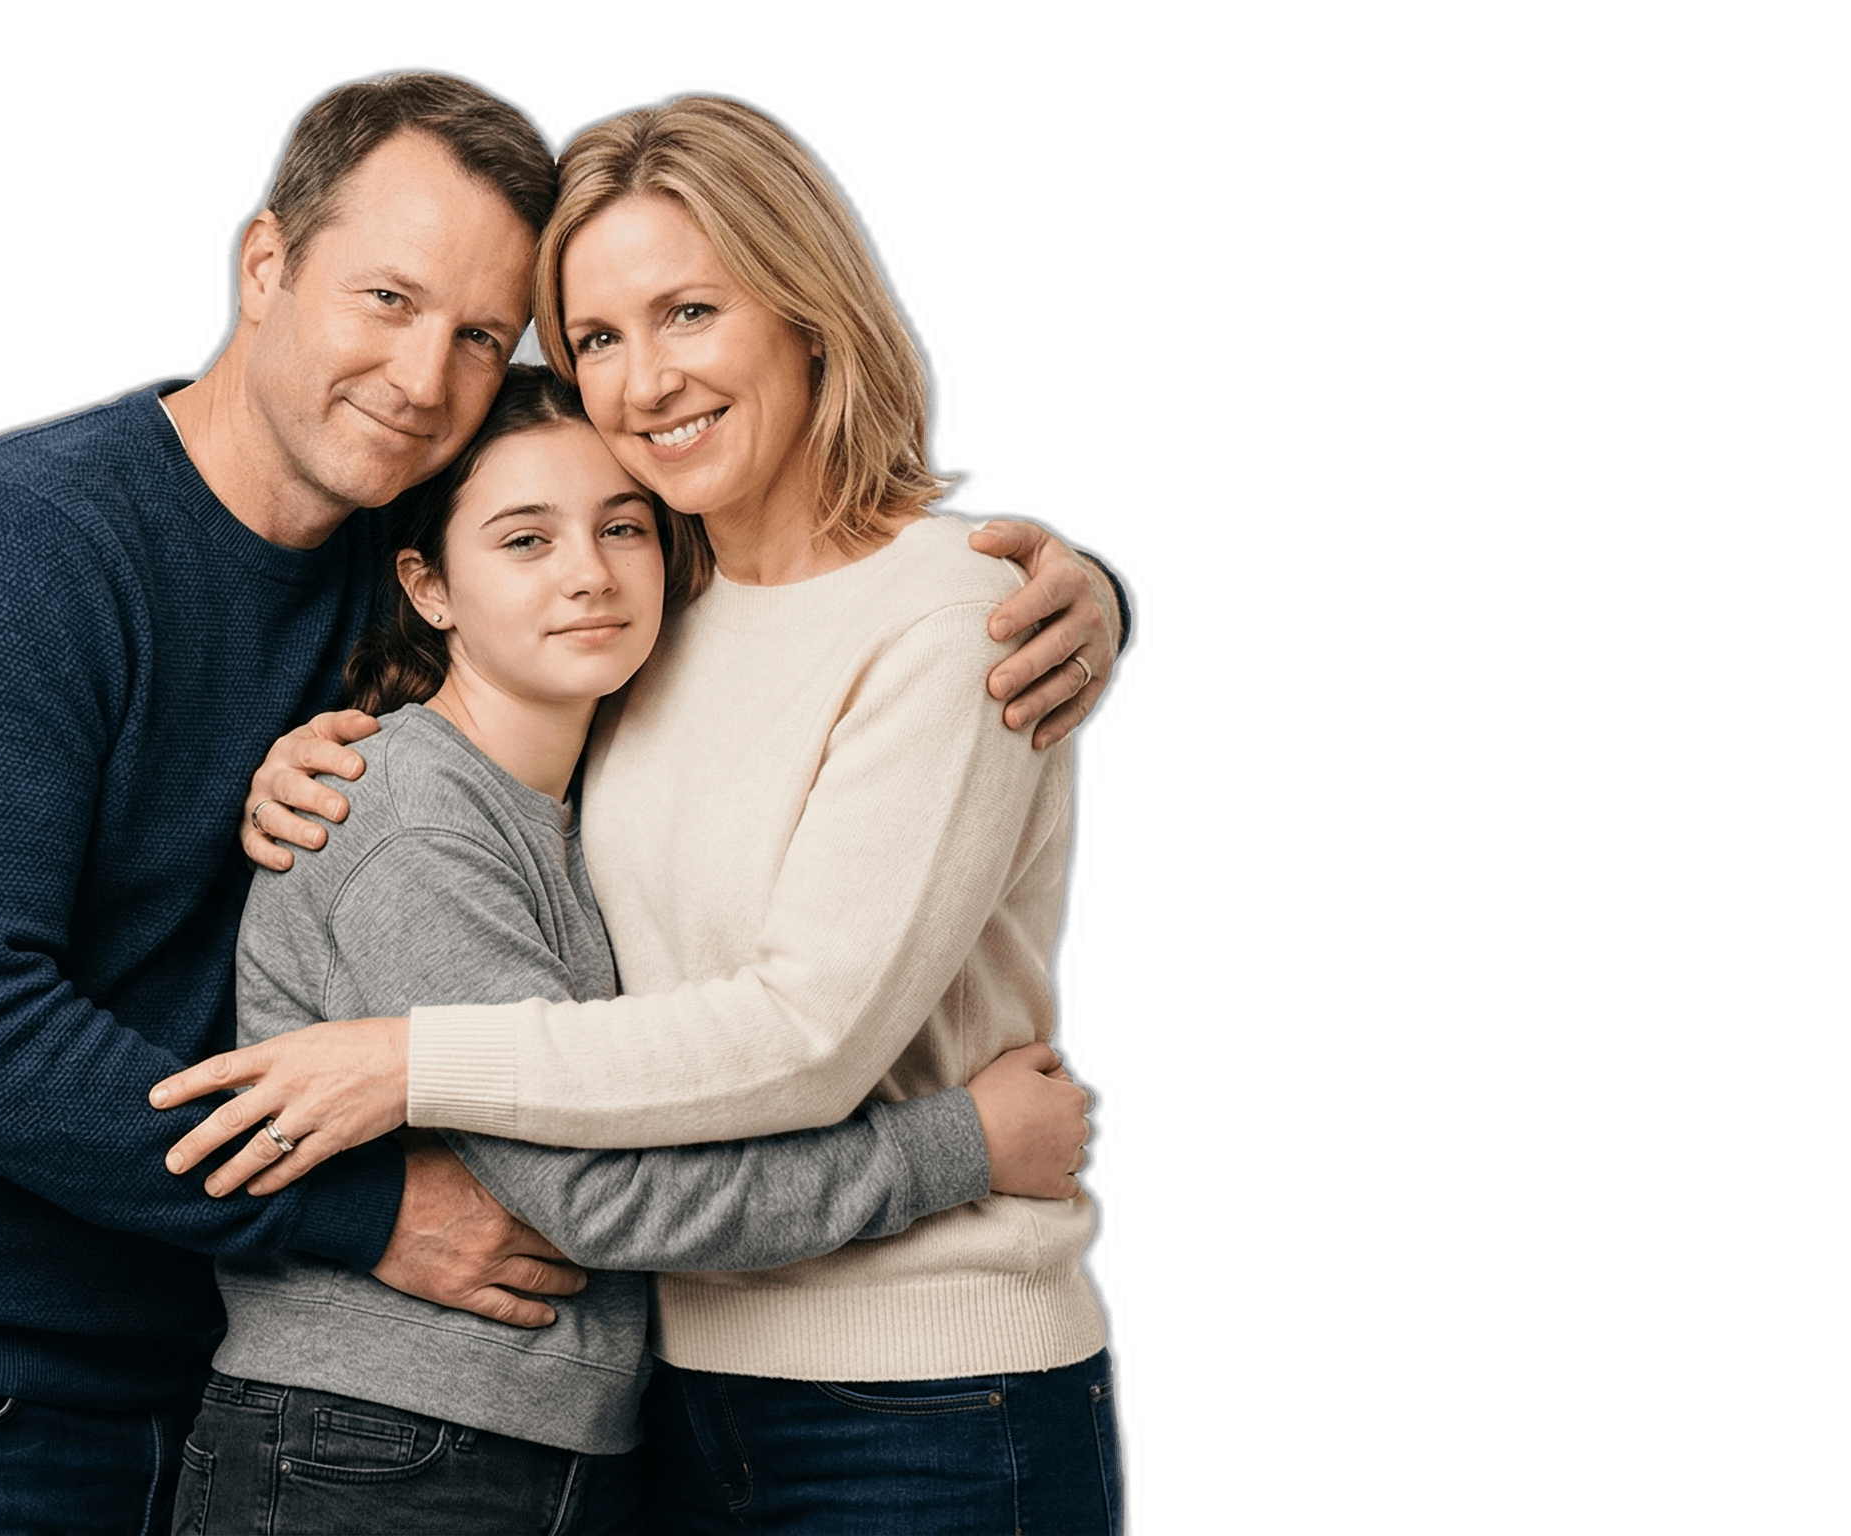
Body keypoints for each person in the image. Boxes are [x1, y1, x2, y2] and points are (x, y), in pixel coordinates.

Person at [0, 70, 1123, 1535]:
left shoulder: (440, 571)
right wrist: (366, 1211)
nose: (421, 376)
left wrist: (1051, 589)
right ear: (262, 263)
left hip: (223, 1360)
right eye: (386, 299)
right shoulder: (18, 547)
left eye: (477, 336)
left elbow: (780, 638)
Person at [160, 93, 1128, 1532]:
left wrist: (408, 1061)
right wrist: (308, 768)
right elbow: (477, 800)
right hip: (668, 1386)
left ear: (806, 310)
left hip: (925, 1390)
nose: (646, 379)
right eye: (599, 337)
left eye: (688, 311)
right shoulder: (660, 629)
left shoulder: (955, 613)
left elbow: (805, 1035)